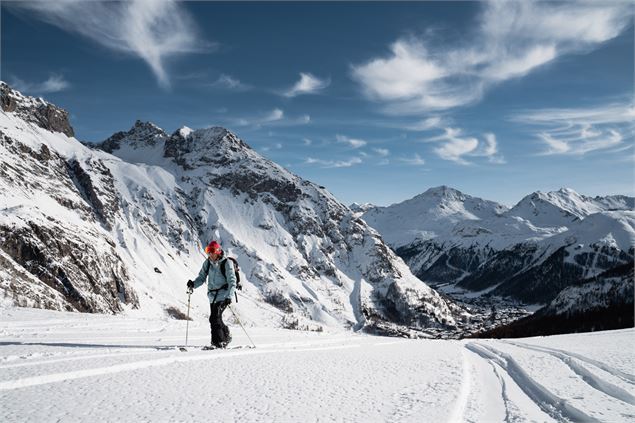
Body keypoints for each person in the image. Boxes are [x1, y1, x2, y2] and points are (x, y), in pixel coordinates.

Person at [187, 240, 237, 348]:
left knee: (214, 318)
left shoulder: (226, 263)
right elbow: (201, 278)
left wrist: (229, 297)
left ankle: (218, 342)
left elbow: (232, 282)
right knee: (215, 318)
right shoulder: (207, 263)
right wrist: (193, 284)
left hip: (223, 295)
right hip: (212, 296)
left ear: (218, 251)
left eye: (212, 251)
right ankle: (225, 335)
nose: (209, 254)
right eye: (208, 251)